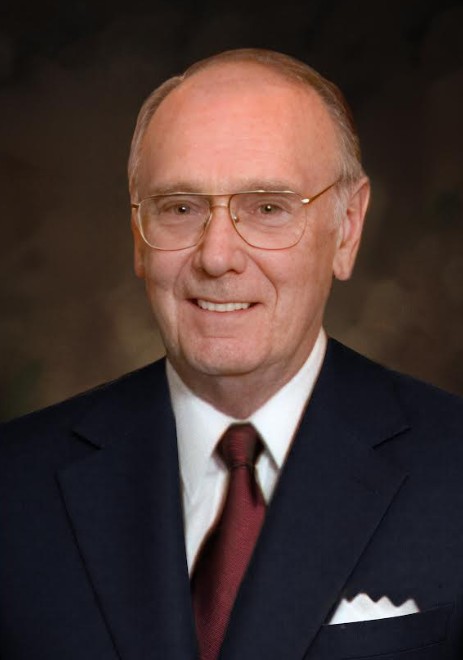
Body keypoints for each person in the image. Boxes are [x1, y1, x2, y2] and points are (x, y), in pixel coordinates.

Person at [1, 48, 463, 660]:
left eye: (267, 208)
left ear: (347, 228)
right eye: (180, 208)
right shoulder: (14, 486)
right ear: (138, 234)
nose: (216, 256)